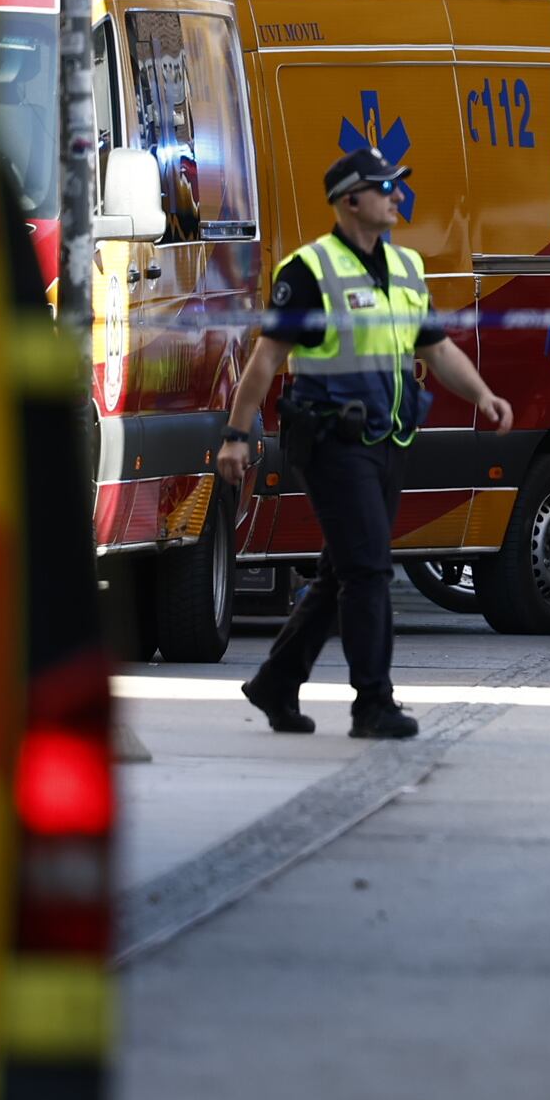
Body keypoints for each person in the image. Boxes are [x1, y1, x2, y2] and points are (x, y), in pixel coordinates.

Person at [223, 147, 515, 739]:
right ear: (350, 199)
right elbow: (266, 358)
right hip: (330, 440)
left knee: (344, 571)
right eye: (386, 188)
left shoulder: (406, 266)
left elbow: (434, 347)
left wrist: (482, 394)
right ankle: (372, 703)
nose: (397, 197)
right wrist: (235, 435)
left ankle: (277, 682)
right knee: (368, 568)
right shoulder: (309, 271)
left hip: (388, 436)